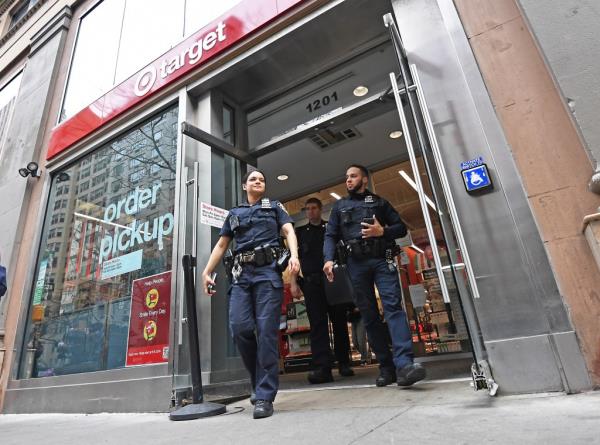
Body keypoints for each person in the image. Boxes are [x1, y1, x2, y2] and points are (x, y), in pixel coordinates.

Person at [202, 169, 300, 419]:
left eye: (262, 180)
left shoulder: (275, 207)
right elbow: (222, 244)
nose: (258, 182)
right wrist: (207, 271)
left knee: (266, 332)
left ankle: (265, 395)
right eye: (253, 179)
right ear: (244, 185)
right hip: (241, 277)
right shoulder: (234, 213)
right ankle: (258, 379)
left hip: (268, 273)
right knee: (240, 327)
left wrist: (295, 257)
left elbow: (288, 231)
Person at [323, 164, 426, 387]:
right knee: (368, 315)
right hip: (355, 264)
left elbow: (401, 228)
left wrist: (383, 231)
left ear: (364, 179)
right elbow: (330, 235)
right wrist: (328, 259)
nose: (348, 180)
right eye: (347, 177)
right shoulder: (340, 206)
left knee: (393, 307)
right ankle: (386, 368)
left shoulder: (379, 203)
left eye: (353, 176)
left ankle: (405, 364)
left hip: (381, 260)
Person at [290, 197, 354, 384]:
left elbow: (343, 255)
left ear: (320, 209)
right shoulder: (300, 233)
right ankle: (322, 367)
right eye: (307, 209)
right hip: (311, 283)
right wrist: (293, 283)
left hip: (333, 280)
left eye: (314, 208)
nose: (310, 211)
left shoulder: (331, 230)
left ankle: (344, 363)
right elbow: (295, 261)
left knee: (339, 322)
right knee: (318, 326)